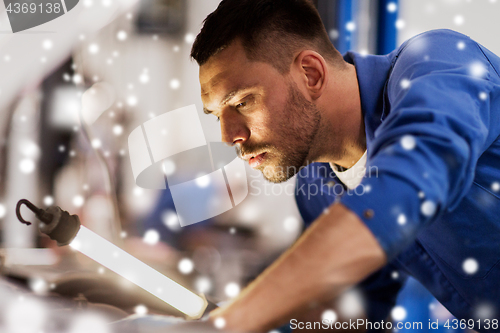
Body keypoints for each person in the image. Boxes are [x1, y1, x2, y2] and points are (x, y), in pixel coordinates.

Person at [190, 0, 500, 332]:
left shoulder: (439, 62)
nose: (228, 136)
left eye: (242, 102)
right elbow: (351, 314)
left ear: (311, 74)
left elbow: (406, 188)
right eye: (218, 115)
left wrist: (226, 324)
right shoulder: (317, 189)